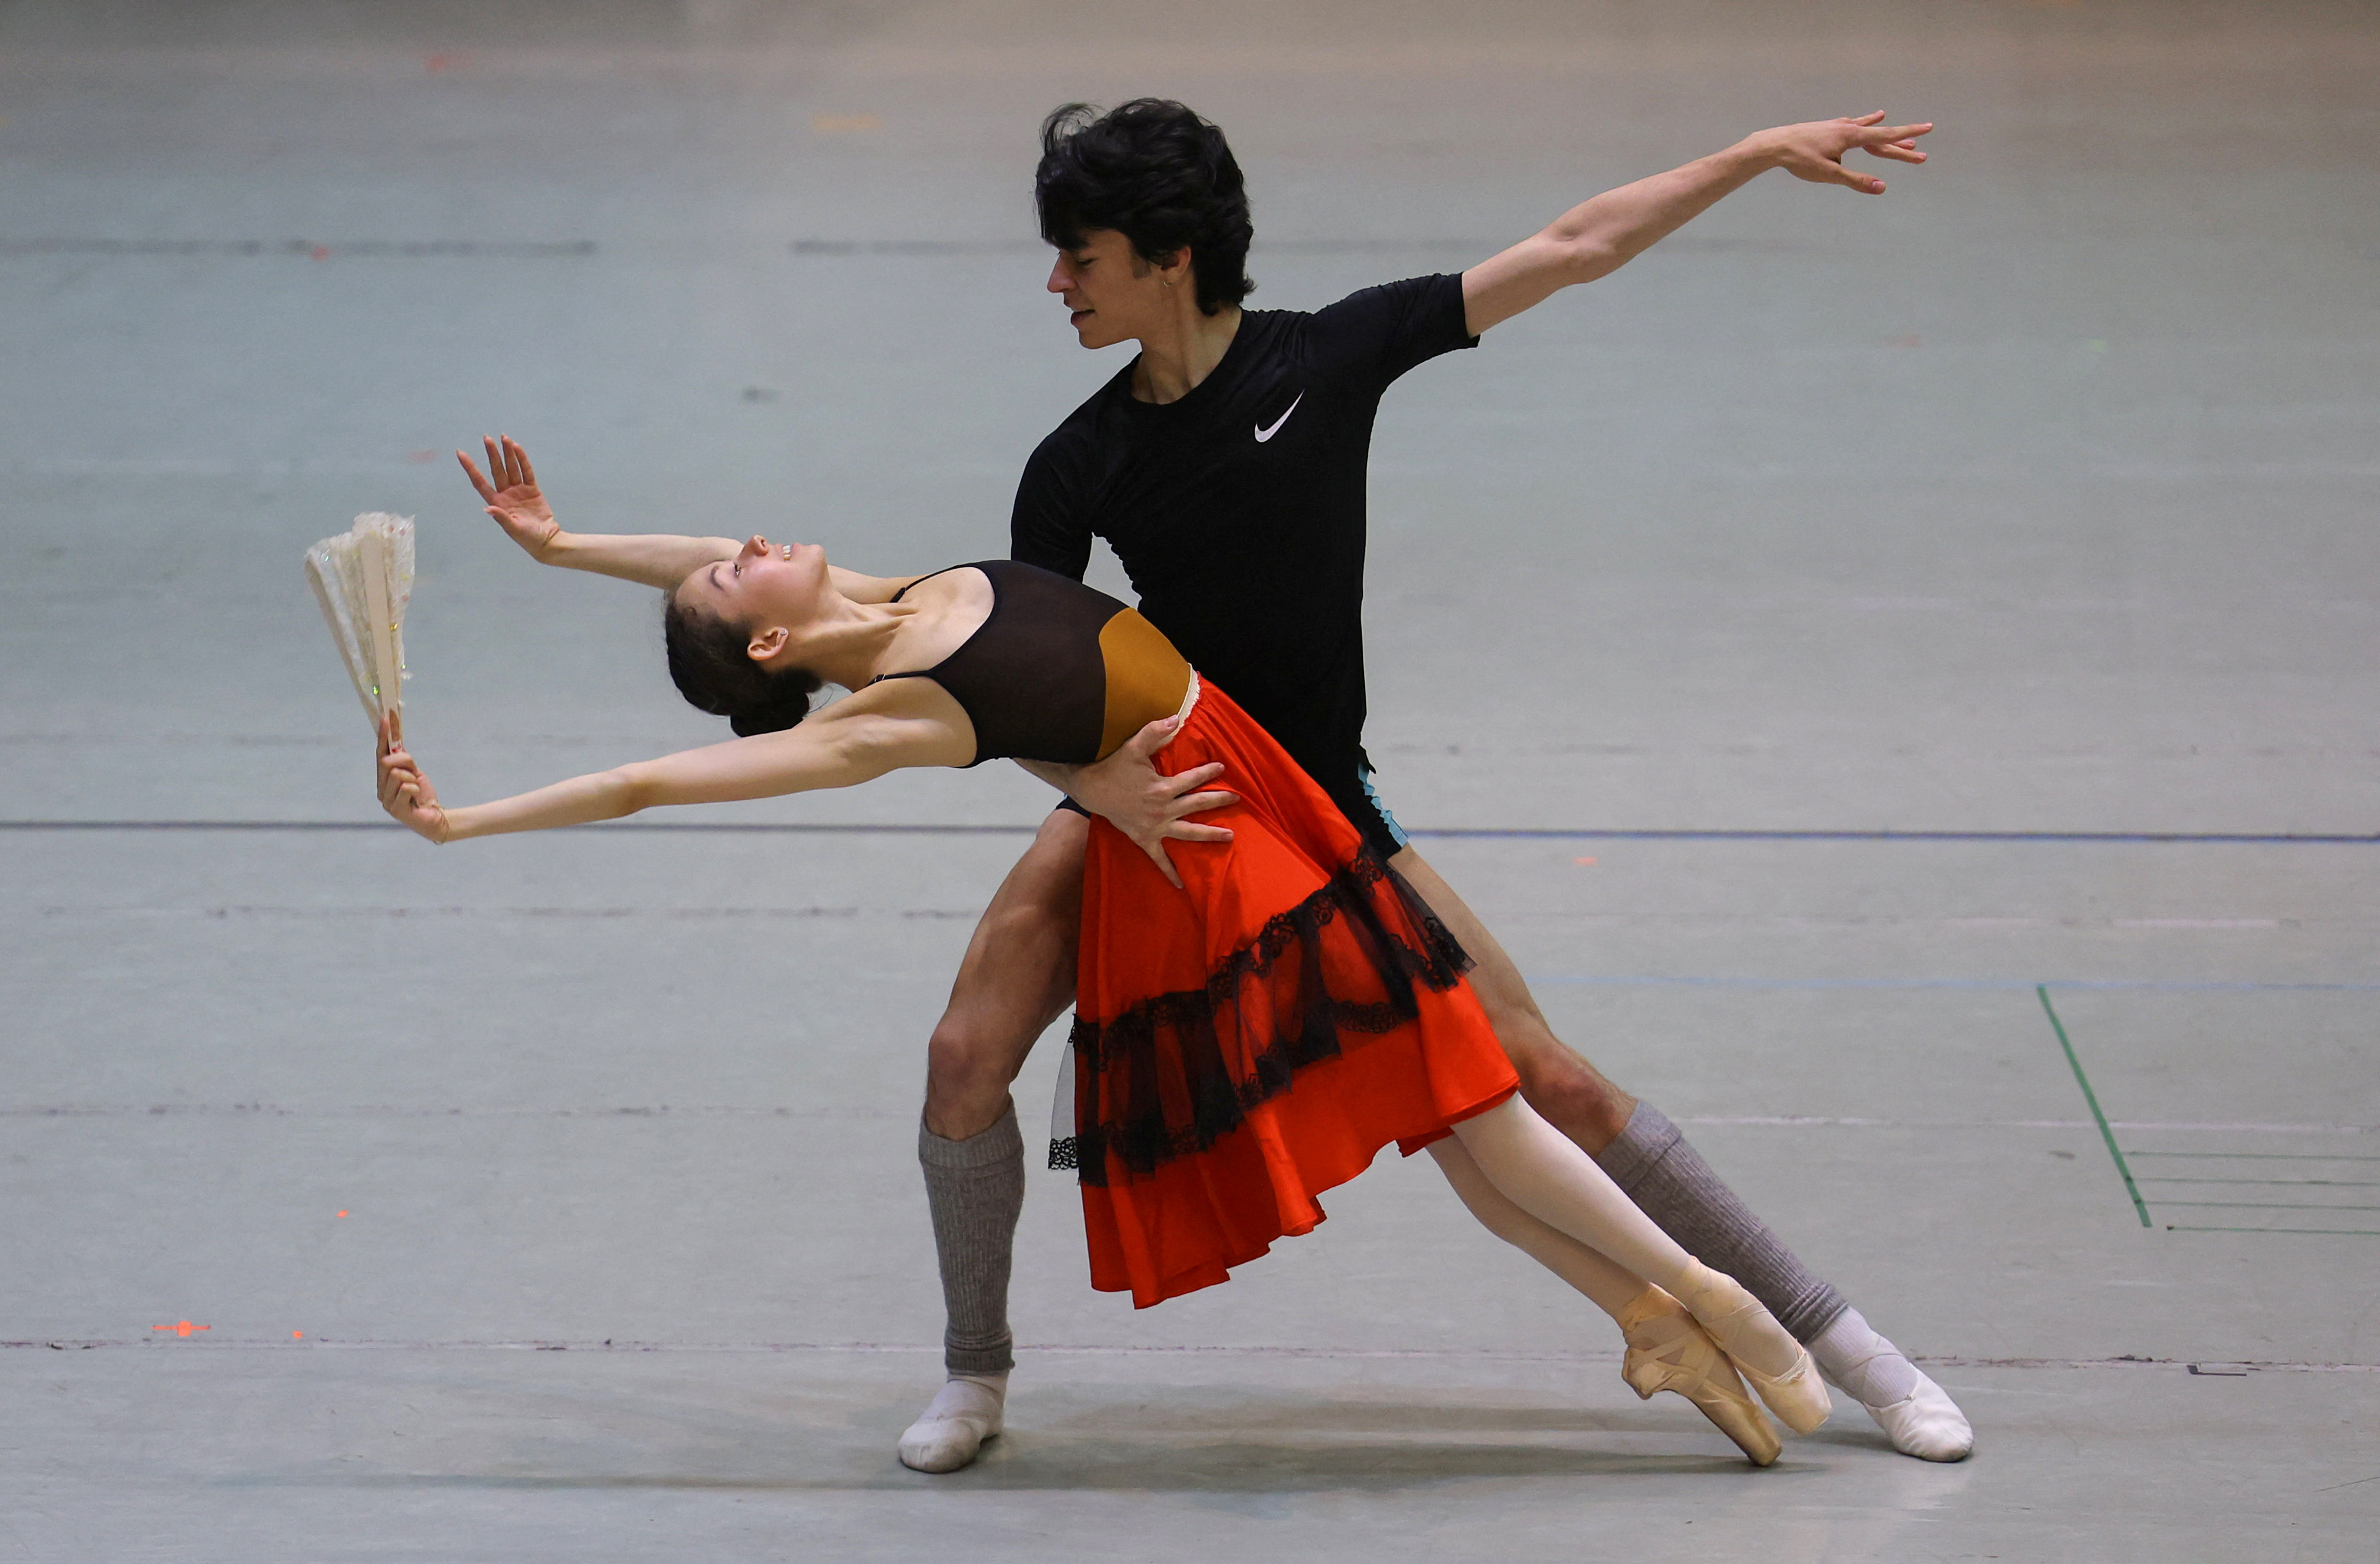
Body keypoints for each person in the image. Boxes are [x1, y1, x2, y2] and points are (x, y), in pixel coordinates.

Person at [890, 100, 1972, 1472]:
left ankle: (1856, 1351)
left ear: (1168, 256)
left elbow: (1577, 246)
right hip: (1161, 792)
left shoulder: (1329, 356)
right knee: (961, 1057)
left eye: (1080, 257)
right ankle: (972, 1377)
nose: (1057, 283)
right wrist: (1094, 786)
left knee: (1548, 1078)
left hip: (1321, 803)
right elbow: (1023, 674)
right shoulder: (1076, 463)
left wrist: (1752, 155)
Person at [375, 482, 1836, 1467]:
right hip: (1198, 841)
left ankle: (1654, 1320)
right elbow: (651, 778)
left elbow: (704, 601)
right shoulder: (890, 715)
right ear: (771, 636)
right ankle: (1704, 1287)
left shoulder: (903, 590)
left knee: (1445, 1106)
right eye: (728, 568)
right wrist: (458, 821)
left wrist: (567, 551)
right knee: (1457, 1086)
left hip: (1249, 777)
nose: (738, 531)